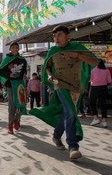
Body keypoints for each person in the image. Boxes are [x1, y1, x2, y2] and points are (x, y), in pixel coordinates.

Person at [30, 25, 98, 160]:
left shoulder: (77, 47)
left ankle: (56, 135)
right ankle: (73, 146)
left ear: (68, 36)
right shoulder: (53, 50)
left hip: (76, 87)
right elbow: (47, 67)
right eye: (54, 36)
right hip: (59, 84)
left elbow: (94, 61)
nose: (56, 38)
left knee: (67, 113)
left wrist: (77, 55)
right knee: (71, 112)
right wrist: (49, 75)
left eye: (59, 35)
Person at [0, 42, 28, 134]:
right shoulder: (7, 59)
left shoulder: (22, 60)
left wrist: (24, 76)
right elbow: (0, 72)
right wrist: (9, 74)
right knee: (12, 106)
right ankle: (10, 125)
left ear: (18, 49)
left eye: (16, 47)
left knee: (21, 104)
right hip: (11, 85)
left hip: (20, 85)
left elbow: (24, 71)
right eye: (13, 47)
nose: (15, 49)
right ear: (10, 49)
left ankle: (17, 120)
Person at [89, 59, 112, 127]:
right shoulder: (107, 70)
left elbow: (90, 80)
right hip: (104, 88)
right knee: (103, 104)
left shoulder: (93, 70)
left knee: (92, 102)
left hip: (95, 88)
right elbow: (109, 81)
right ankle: (104, 121)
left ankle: (95, 118)